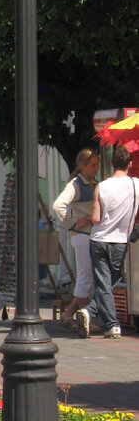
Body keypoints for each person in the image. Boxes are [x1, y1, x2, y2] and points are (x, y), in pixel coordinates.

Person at [76, 144, 138, 340]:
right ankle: (111, 324)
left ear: (111, 164)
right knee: (115, 278)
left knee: (104, 282)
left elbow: (95, 218)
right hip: (120, 241)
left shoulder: (101, 186)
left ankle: (90, 312)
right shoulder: (136, 184)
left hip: (98, 239)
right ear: (130, 163)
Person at [52, 148, 99, 328]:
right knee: (85, 278)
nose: (96, 168)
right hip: (82, 236)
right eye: (93, 165)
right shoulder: (76, 185)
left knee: (87, 278)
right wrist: (73, 223)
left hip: (88, 235)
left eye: (97, 165)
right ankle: (87, 320)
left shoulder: (90, 183)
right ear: (83, 165)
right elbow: (58, 206)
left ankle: (69, 314)